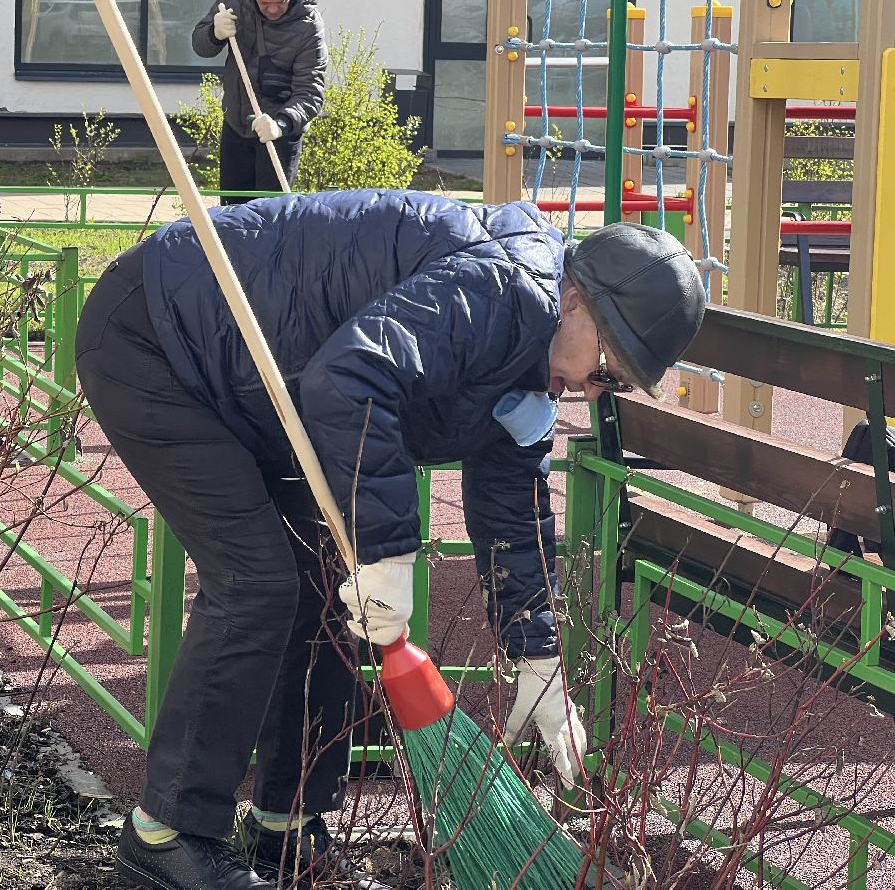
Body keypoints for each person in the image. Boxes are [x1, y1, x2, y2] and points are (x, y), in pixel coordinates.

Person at [74, 190, 706, 890]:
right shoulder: (504, 291)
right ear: (576, 300)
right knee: (256, 581)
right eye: (607, 367)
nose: (593, 390)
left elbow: (513, 509)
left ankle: (284, 824)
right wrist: (389, 551)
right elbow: (351, 379)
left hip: (262, 380)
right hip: (161, 334)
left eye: (617, 385)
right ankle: (166, 836)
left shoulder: (534, 365)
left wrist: (538, 655)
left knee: (323, 589)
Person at [192, 0, 327, 203]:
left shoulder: (308, 26)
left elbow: (311, 92)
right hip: (236, 125)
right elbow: (200, 45)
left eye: (281, 1)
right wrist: (214, 33)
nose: (273, 9)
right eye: (264, 2)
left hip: (279, 134)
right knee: (232, 214)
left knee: (270, 216)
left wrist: (281, 124)